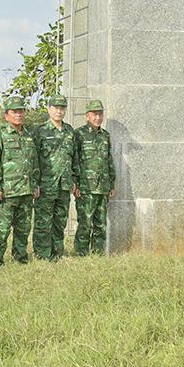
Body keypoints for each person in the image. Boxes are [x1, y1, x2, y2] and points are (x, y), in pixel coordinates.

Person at [0, 95, 41, 267]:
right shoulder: (0, 135)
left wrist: (35, 184)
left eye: (21, 111)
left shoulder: (28, 135)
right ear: (6, 115)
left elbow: (34, 162)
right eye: (14, 111)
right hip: (7, 192)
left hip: (26, 191)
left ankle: (20, 259)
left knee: (23, 229)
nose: (18, 114)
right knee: (2, 230)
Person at [33, 95, 78, 261]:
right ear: (49, 109)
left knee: (60, 221)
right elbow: (33, 159)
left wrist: (75, 180)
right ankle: (42, 255)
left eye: (62, 108)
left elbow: (75, 158)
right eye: (56, 108)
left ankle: (57, 254)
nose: (59, 111)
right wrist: (35, 183)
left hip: (64, 185)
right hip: (46, 185)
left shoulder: (69, 131)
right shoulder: (40, 131)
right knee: (43, 223)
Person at [73, 99, 116, 256]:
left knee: (100, 224)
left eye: (100, 114)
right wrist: (75, 184)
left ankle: (97, 254)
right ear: (87, 116)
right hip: (86, 188)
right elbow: (74, 161)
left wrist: (111, 183)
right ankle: (81, 254)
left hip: (102, 187)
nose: (97, 117)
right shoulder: (79, 134)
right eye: (94, 114)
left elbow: (108, 160)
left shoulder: (105, 136)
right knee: (85, 223)